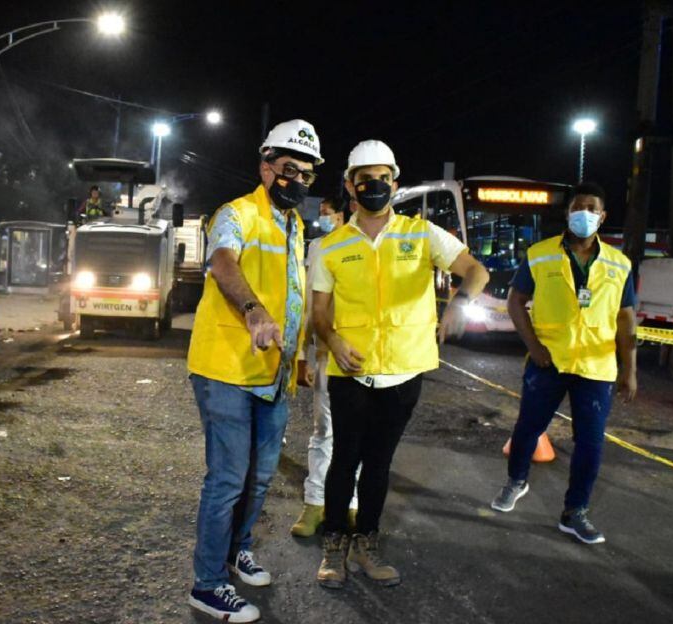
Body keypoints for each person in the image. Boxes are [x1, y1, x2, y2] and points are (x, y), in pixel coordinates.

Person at [312, 140, 489, 589]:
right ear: (351, 186)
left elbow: (476, 271)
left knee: (378, 464)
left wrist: (458, 305)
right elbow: (319, 313)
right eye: (365, 179)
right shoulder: (330, 246)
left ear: (395, 179)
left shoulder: (422, 233)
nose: (375, 186)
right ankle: (334, 547)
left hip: (405, 374)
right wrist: (332, 340)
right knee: (343, 461)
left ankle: (366, 543)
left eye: (383, 178)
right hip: (350, 375)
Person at [186, 119, 321, 622]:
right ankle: (208, 582)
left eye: (307, 173)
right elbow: (224, 264)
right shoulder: (235, 215)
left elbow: (294, 295)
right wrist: (253, 311)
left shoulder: (295, 225)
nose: (299, 181)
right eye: (290, 170)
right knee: (226, 479)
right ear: (266, 167)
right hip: (226, 369)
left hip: (274, 375)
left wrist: (300, 357)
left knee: (259, 477)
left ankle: (236, 549)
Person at [489, 181, 637, 545]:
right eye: (578, 207)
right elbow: (515, 301)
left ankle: (575, 512)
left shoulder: (620, 264)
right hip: (547, 362)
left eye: (591, 208)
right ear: (568, 213)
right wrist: (534, 346)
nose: (584, 213)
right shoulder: (540, 254)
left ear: (602, 216)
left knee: (590, 444)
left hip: (596, 368)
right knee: (527, 429)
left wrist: (630, 370)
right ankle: (516, 481)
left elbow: (626, 319)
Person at [291, 196, 361, 538]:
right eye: (322, 215)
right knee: (323, 432)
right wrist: (303, 352)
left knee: (359, 435)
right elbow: (308, 303)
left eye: (328, 214)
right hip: (324, 354)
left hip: (363, 357)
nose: (325, 220)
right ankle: (315, 502)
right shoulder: (318, 248)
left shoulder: (374, 247)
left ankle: (351, 505)